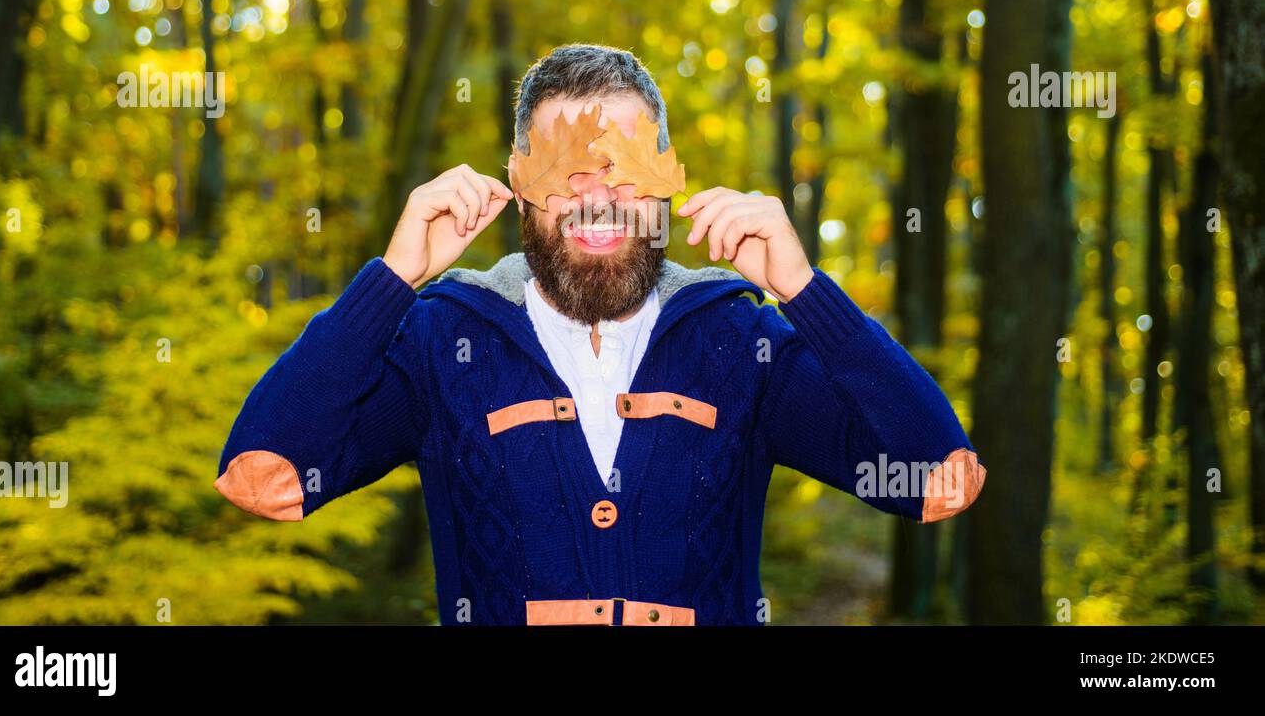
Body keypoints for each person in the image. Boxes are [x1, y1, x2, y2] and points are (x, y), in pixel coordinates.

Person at [214, 43, 986, 626]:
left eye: (621, 169)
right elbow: (265, 472)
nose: (598, 197)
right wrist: (389, 281)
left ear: (665, 176)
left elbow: (937, 477)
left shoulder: (738, 343)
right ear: (519, 186)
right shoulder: (442, 343)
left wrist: (807, 293)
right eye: (566, 172)